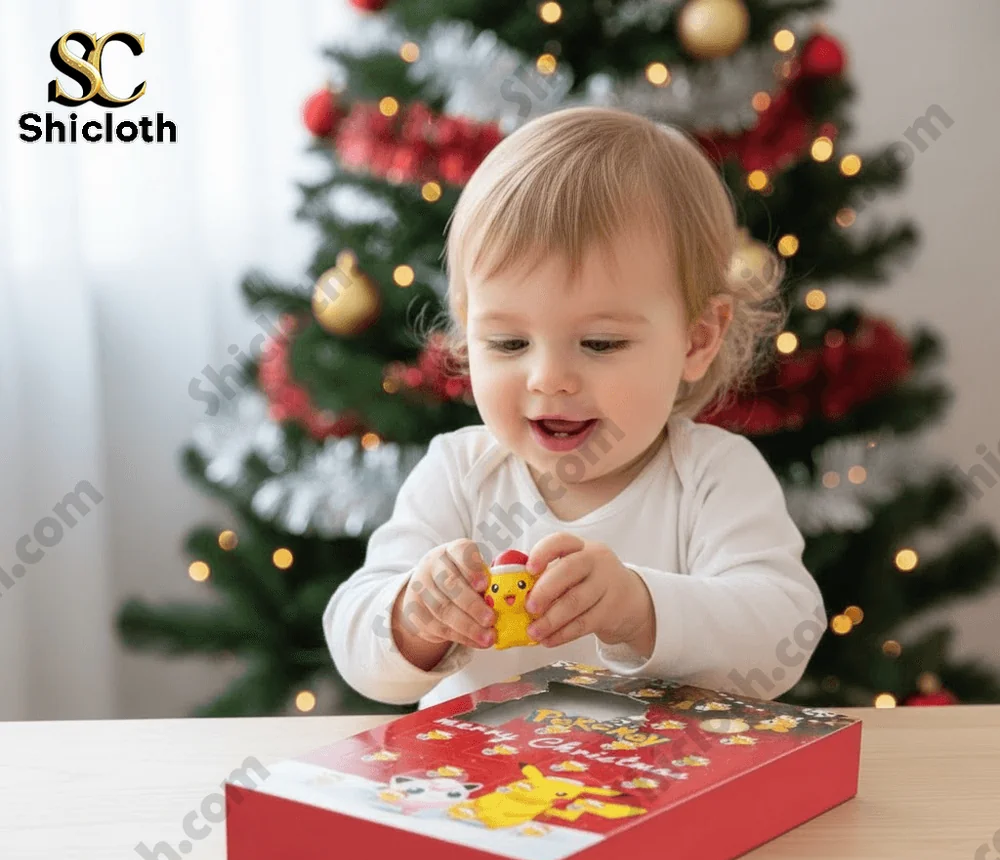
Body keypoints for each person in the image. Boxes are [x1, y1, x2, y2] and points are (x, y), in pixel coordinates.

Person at [323, 106, 825, 711]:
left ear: (697, 339)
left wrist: (637, 609)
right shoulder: (459, 472)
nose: (550, 379)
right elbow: (355, 642)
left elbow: (783, 635)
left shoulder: (713, 476)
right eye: (508, 343)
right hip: (478, 796)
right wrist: (413, 615)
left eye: (601, 343)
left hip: (650, 794)